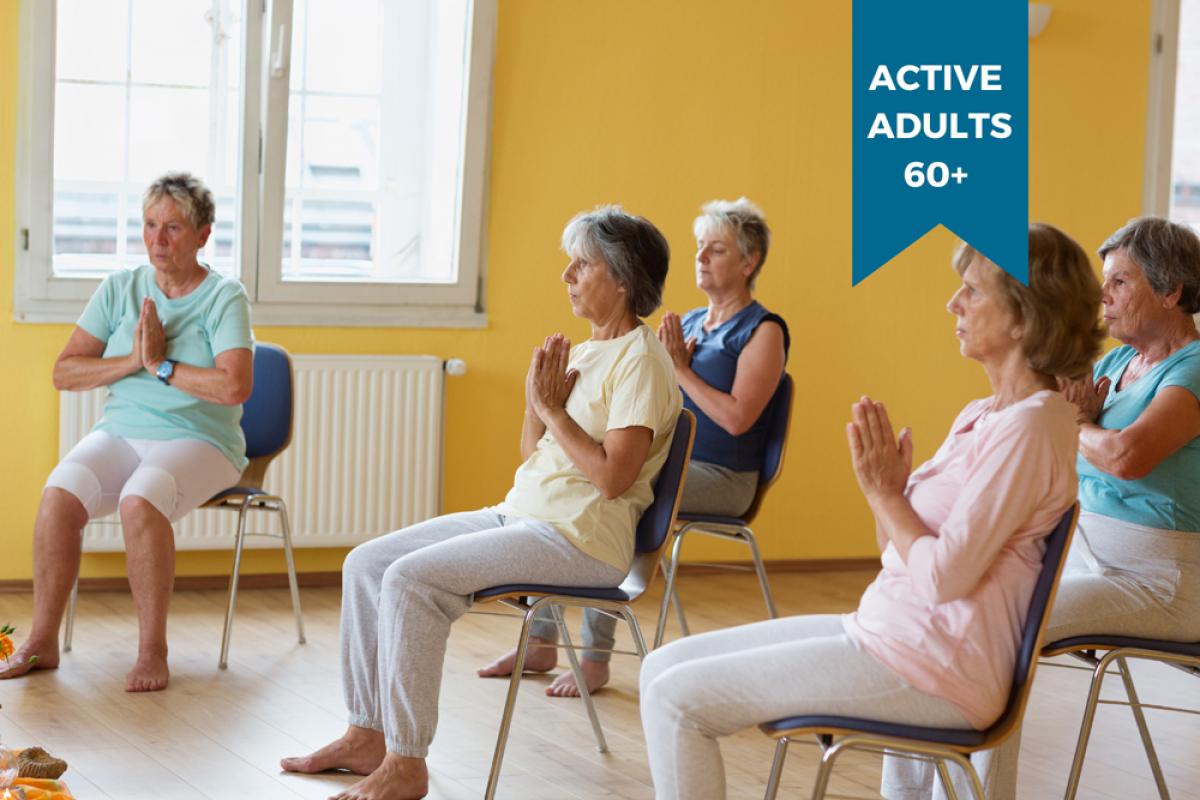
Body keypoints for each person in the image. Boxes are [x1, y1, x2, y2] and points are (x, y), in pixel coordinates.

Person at [638, 224, 1105, 800]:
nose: (952, 302)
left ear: (1025, 319)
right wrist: (885, 491)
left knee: (675, 701)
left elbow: (942, 577)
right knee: (659, 668)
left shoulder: (1033, 426)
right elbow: (897, 554)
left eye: (973, 291)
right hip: (889, 632)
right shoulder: (982, 414)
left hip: (934, 666)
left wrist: (887, 495)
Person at [280, 206, 681, 800]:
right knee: (365, 563)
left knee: (413, 581)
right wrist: (534, 405)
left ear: (622, 279)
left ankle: (406, 761)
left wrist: (550, 411)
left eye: (583, 264)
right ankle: (366, 733)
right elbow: (534, 458)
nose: (568, 274)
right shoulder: (582, 350)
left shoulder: (642, 362)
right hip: (525, 516)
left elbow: (612, 479)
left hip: (582, 541)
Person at [917, 217, 1200, 800]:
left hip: (1159, 582)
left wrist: (1080, 424)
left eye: (1121, 282)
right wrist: (1077, 422)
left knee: (1001, 628)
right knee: (957, 607)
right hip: (1086, 558)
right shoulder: (1114, 368)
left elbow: (1126, 455)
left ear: (1172, 292)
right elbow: (1050, 419)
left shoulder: (1193, 369)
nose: (1104, 295)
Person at [478, 197, 788, 697]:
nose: (702, 259)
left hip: (722, 476)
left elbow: (737, 419)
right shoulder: (683, 326)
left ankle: (595, 659)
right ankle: (542, 638)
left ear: (749, 262)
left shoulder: (763, 331)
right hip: (663, 462)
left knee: (605, 495)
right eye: (699, 250)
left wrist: (681, 369)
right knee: (574, 489)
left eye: (717, 250)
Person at [0, 172, 254, 692]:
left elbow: (233, 388)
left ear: (204, 234)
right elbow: (64, 372)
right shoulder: (120, 287)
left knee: (140, 500)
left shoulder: (224, 297)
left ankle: (152, 652)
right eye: (150, 225)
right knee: (58, 496)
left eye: (175, 228)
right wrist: (133, 361)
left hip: (202, 439)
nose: (158, 240)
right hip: (122, 430)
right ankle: (42, 641)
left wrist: (161, 366)